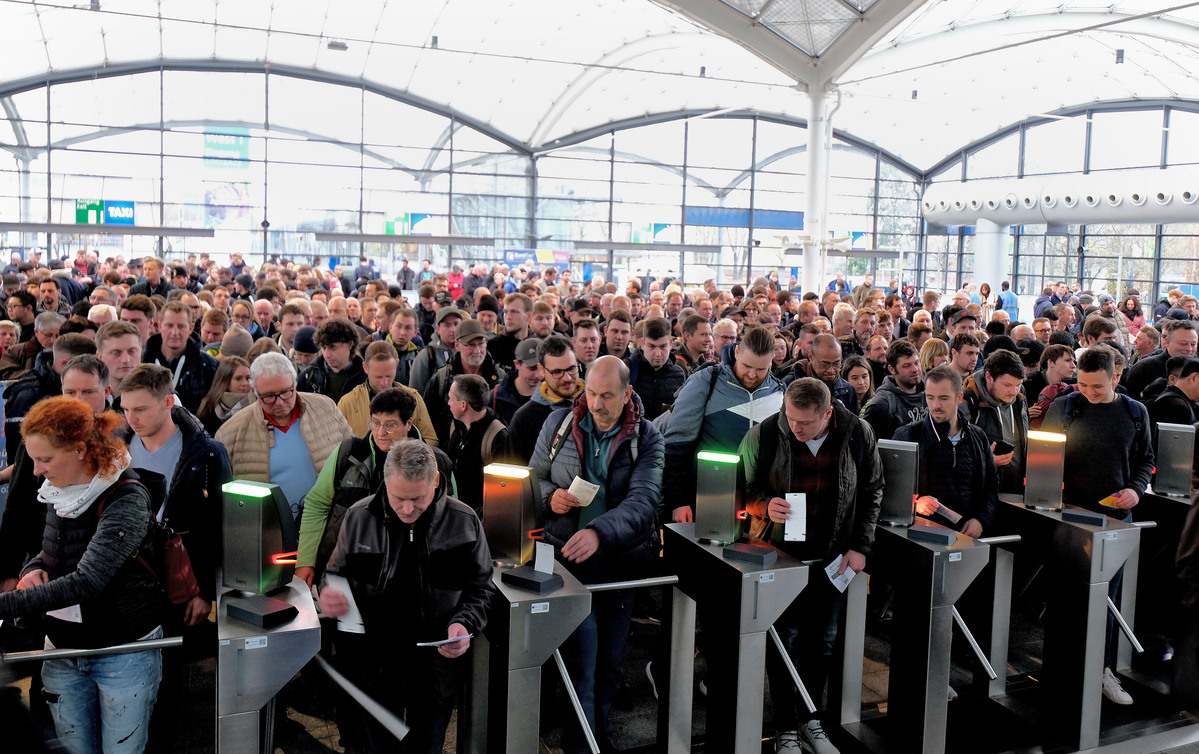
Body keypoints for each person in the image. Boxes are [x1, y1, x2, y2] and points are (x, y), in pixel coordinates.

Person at [0, 397, 163, 754]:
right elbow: (54, 550)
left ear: (79, 450)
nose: (36, 471)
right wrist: (33, 568)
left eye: (45, 459)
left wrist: (6, 604)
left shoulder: (126, 497)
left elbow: (87, 580)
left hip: (122, 651)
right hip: (62, 648)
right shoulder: (58, 489)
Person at [319, 440, 493, 753]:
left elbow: (480, 588)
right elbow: (334, 574)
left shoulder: (465, 522)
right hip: (374, 663)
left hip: (435, 664)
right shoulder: (359, 517)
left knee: (427, 746)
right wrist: (330, 593)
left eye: (418, 498)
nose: (408, 509)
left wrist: (465, 624)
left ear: (436, 481)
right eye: (399, 498)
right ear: (385, 482)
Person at [739, 378, 883, 754]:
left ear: (828, 414)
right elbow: (743, 488)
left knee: (823, 642)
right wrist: (763, 505)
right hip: (782, 556)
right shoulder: (765, 435)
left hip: (833, 557)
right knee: (784, 641)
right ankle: (785, 726)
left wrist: (860, 547)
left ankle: (811, 719)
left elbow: (872, 490)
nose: (796, 428)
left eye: (805, 422)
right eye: (790, 418)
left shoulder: (857, 433)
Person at [529, 356, 664, 754]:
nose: (597, 404)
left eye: (607, 396)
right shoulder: (557, 424)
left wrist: (598, 532)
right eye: (591, 393)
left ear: (627, 393)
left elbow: (643, 502)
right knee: (582, 658)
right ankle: (582, 741)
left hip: (621, 564)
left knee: (611, 658)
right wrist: (550, 496)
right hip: (568, 562)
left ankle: (599, 726)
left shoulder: (648, 437)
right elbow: (533, 477)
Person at [1040, 347, 1154, 705]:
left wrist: (1135, 491)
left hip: (1115, 519)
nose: (1089, 392)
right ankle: (1059, 671)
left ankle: (1100, 670)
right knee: (1063, 598)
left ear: (1115, 377)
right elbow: (1044, 459)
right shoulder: (1065, 407)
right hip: (1068, 519)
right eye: (1083, 384)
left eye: (1098, 387)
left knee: (1106, 599)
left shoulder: (1135, 412)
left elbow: (1145, 460)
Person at [296, 387, 420, 586]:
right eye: (375, 423)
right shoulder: (348, 453)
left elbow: (445, 521)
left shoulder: (432, 463)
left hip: (404, 576)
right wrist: (305, 561)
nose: (380, 432)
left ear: (409, 423)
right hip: (344, 570)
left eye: (390, 425)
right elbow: (317, 504)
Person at [663, 326, 784, 522]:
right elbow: (677, 443)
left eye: (761, 369)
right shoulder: (706, 380)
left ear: (771, 362)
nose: (752, 375)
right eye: (747, 366)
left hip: (759, 508)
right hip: (707, 496)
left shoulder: (778, 391)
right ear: (736, 352)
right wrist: (678, 500)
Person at [215, 352, 352, 521]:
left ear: (295, 384)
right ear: (255, 393)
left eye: (286, 392)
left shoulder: (325, 408)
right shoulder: (230, 434)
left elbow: (353, 458)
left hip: (329, 522)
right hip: (267, 527)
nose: (279, 402)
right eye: (269, 396)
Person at [896, 366, 999, 536]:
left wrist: (980, 520)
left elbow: (991, 484)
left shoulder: (977, 436)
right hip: (925, 536)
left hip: (970, 536)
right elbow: (893, 489)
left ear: (959, 398)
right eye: (930, 397)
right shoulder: (908, 435)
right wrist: (915, 503)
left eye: (943, 398)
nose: (936, 405)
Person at [337, 340, 438, 445]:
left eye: (389, 376)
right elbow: (337, 445)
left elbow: (430, 440)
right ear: (365, 368)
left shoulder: (414, 398)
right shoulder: (347, 403)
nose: (384, 382)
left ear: (397, 364)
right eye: (378, 377)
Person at [506, 335, 583, 464]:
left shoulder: (595, 405)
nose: (567, 378)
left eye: (571, 369)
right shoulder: (524, 419)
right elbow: (514, 471)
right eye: (557, 372)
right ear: (542, 370)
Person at [445, 374, 508, 515]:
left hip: (480, 518)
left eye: (451, 398)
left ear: (463, 405)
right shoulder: (456, 428)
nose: (448, 403)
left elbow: (503, 490)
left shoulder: (497, 437)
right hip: (456, 512)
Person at [142, 301, 219, 413]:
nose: (175, 332)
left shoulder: (209, 366)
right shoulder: (142, 361)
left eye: (181, 326)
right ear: (160, 326)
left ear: (191, 328)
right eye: (169, 326)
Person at [862, 339, 927, 441]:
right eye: (907, 366)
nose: (915, 369)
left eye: (916, 363)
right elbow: (868, 443)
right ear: (892, 369)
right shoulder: (882, 404)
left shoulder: (931, 393)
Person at [626, 317, 686, 422]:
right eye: (652, 347)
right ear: (643, 343)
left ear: (670, 343)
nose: (658, 353)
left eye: (663, 347)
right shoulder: (627, 369)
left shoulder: (679, 374)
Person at [196, 356, 253, 436]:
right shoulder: (208, 408)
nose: (245, 383)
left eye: (248, 378)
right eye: (238, 379)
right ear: (225, 380)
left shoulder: (259, 404)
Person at [490, 337, 542, 425]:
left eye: (542, 368)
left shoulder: (553, 396)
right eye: (532, 368)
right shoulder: (496, 397)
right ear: (517, 364)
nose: (538, 375)